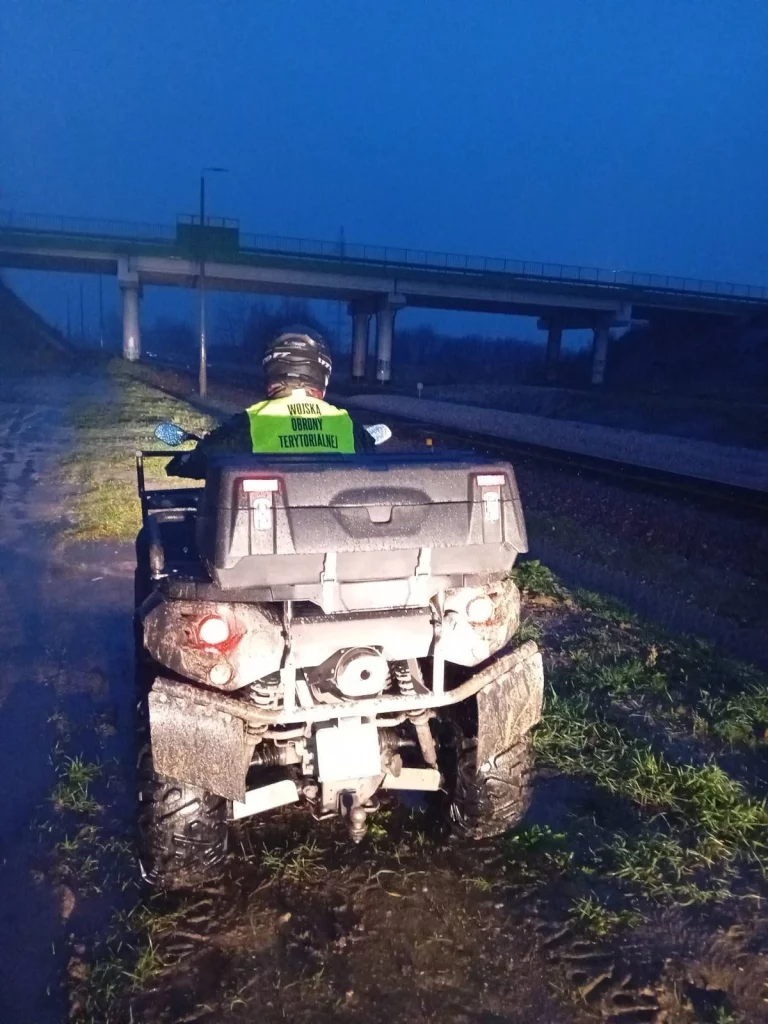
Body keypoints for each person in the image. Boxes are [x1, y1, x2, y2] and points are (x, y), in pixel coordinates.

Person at [166, 327, 383, 479]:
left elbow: (205, 459)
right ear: (322, 374)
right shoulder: (346, 425)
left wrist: (182, 463)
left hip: (267, 526)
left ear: (272, 370)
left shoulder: (251, 422)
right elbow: (371, 461)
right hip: (331, 528)